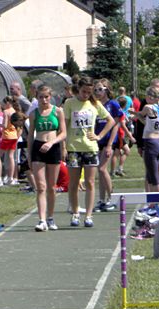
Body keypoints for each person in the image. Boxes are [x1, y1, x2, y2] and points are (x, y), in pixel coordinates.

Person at [63, 75, 114, 227]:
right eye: (84, 91)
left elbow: (111, 120)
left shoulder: (95, 104)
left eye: (89, 92)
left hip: (90, 148)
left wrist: (99, 135)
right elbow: (64, 126)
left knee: (90, 182)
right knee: (73, 182)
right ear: (78, 89)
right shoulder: (70, 103)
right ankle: (76, 212)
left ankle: (89, 215)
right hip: (74, 148)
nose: (86, 95)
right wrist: (64, 146)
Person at [27, 85, 66, 232]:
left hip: (53, 148)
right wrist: (29, 155)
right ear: (37, 98)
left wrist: (52, 143)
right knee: (41, 187)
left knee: (51, 187)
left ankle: (50, 217)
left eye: (46, 97)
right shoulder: (34, 114)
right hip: (38, 148)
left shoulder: (58, 111)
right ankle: (41, 219)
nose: (43, 100)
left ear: (51, 97)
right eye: (41, 97)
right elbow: (30, 135)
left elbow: (63, 133)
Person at [93, 80, 121, 212]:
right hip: (97, 140)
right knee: (100, 170)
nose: (97, 92)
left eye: (100, 89)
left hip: (108, 140)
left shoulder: (113, 104)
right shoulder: (95, 104)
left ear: (106, 90)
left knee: (102, 168)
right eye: (95, 90)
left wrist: (110, 145)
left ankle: (112, 197)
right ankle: (102, 199)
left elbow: (116, 124)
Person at [136, 86, 159, 194]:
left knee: (154, 178)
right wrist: (136, 115)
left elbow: (140, 114)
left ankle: (157, 205)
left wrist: (133, 113)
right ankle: (152, 205)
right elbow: (148, 123)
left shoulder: (148, 106)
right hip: (158, 142)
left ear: (150, 96)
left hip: (151, 143)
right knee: (150, 176)